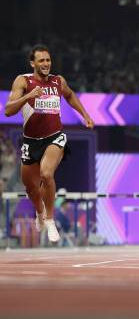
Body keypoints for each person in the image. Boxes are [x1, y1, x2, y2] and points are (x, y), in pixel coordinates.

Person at [4, 45, 94, 243]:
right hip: (30, 141)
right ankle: (40, 211)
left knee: (46, 173)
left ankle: (50, 219)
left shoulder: (58, 81)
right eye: (41, 60)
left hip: (54, 137)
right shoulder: (23, 80)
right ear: (32, 63)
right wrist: (28, 96)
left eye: (48, 60)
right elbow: (8, 111)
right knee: (30, 188)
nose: (46, 64)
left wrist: (86, 115)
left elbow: (70, 95)